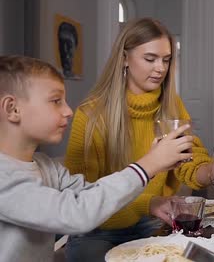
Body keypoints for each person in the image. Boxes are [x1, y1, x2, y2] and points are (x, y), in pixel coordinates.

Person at [0, 55, 194, 262]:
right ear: (13, 109)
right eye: (56, 101)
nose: (68, 111)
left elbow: (95, 197)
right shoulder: (3, 177)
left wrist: (152, 181)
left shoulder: (46, 166)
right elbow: (76, 214)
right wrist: (147, 165)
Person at [64, 18, 214, 261]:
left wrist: (212, 170)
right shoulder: (91, 115)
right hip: (96, 231)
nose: (160, 69)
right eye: (150, 59)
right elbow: (83, 196)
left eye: (166, 60)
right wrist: (148, 203)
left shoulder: (172, 105)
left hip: (151, 223)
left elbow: (188, 160)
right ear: (124, 58)